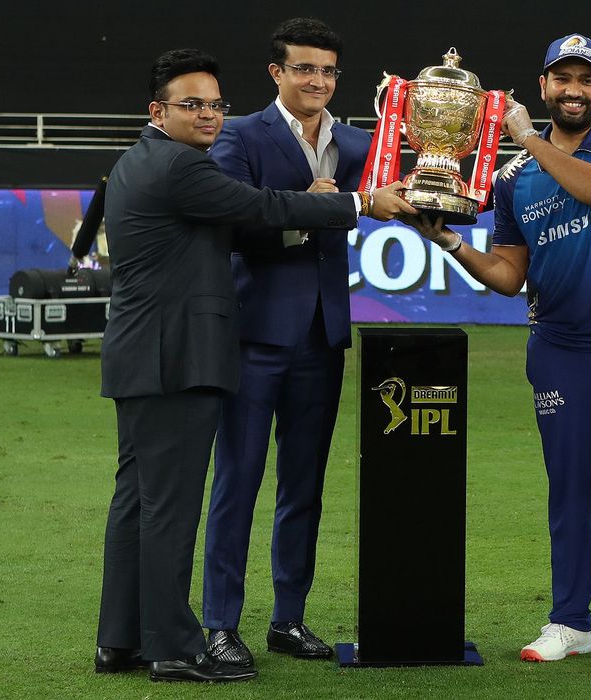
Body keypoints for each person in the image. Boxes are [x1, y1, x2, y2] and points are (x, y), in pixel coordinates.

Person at [94, 48, 414, 684]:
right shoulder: (181, 168)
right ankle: (173, 647)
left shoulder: (143, 160)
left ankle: (121, 639)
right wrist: (354, 204)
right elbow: (263, 209)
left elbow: (248, 220)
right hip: (174, 357)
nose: (208, 115)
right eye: (192, 105)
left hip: (145, 352)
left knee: (136, 501)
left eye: (215, 104)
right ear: (157, 111)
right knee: (170, 507)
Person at [400, 34, 591, 672]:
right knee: (568, 494)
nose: (574, 90)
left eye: (586, 80)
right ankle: (571, 621)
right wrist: (449, 241)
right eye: (563, 79)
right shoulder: (511, 181)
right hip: (558, 350)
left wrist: (528, 139)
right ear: (544, 85)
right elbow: (508, 274)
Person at [200, 18, 370, 669]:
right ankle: (220, 623)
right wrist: (309, 207)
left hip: (322, 340)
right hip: (253, 336)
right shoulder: (240, 134)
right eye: (304, 69)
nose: (317, 82)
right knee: (237, 483)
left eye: (327, 71)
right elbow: (236, 221)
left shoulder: (355, 143)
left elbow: (399, 187)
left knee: (304, 487)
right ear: (277, 73)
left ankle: (287, 620)